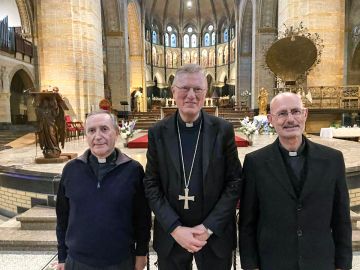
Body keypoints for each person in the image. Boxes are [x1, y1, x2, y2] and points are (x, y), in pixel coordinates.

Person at [144, 64, 242, 270]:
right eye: (184, 88)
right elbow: (151, 184)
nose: (191, 95)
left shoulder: (222, 131)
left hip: (214, 236)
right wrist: (174, 228)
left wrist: (208, 228)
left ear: (205, 92)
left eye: (197, 89)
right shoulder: (158, 133)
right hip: (172, 236)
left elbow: (235, 181)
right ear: (173, 91)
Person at [239, 92, 352, 270]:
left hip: (320, 262)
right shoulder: (256, 163)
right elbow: (247, 222)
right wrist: (250, 265)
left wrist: (343, 265)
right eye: (282, 113)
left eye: (296, 111)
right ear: (271, 119)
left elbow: (342, 219)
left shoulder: (332, 160)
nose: (290, 119)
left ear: (305, 114)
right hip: (273, 262)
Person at [56, 110, 151, 270]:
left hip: (120, 261)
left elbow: (142, 218)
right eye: (91, 130)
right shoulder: (71, 170)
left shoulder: (133, 170)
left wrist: (141, 253)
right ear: (85, 135)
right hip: (78, 261)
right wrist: (62, 257)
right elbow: (62, 217)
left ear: (116, 133)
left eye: (104, 129)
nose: (98, 136)